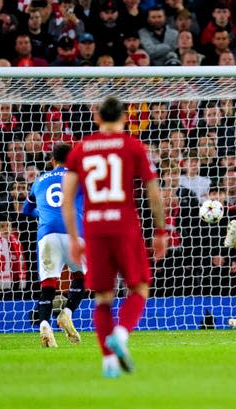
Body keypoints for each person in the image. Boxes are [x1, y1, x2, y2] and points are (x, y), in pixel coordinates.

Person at [61, 96, 167, 378]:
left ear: (97, 118)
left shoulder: (81, 149)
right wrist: (160, 230)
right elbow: (154, 192)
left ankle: (108, 362)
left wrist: (73, 238)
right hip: (124, 225)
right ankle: (121, 334)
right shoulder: (133, 146)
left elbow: (67, 198)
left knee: (103, 298)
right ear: (124, 118)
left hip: (94, 229)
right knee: (140, 287)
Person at [21, 143, 85, 348]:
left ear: (52, 161)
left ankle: (44, 326)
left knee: (48, 285)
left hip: (47, 233)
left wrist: (45, 214)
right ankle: (66, 313)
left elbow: (26, 210)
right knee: (81, 276)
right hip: (73, 231)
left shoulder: (39, 181)